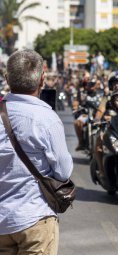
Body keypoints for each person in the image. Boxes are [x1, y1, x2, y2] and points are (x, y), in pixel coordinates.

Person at [0, 49, 73, 254]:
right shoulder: (46, 118)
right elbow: (63, 172)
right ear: (43, 79)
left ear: (7, 79)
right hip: (34, 220)